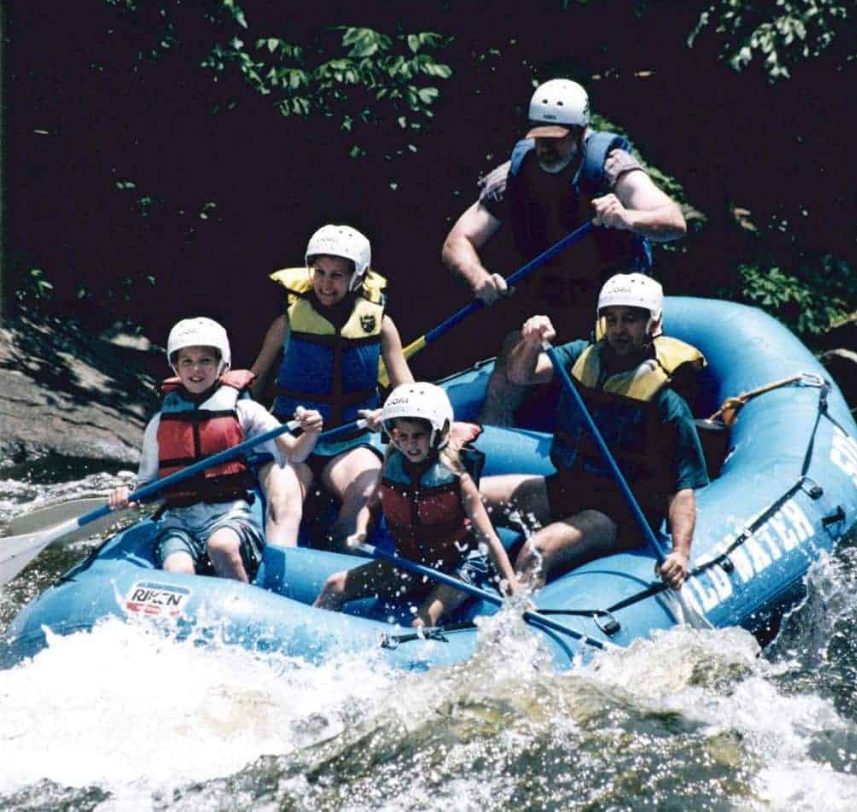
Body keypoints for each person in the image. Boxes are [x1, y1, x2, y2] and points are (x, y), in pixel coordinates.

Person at [442, 78, 689, 425]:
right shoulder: (512, 176)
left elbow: (674, 222)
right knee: (506, 374)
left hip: (614, 306)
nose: (546, 148)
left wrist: (626, 217)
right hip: (550, 302)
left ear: (581, 131)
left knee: (614, 384)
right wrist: (478, 277)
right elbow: (457, 243)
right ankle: (485, 452)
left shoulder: (611, 168)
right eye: (540, 138)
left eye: (556, 140)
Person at [480, 274, 709, 589]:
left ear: (652, 324)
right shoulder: (581, 355)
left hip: (622, 512)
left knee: (536, 550)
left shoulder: (666, 402)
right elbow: (521, 375)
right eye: (611, 319)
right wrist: (531, 343)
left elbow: (681, 489)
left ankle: (516, 630)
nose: (619, 329)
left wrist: (680, 553)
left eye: (630, 320)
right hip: (569, 487)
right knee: (470, 498)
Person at [108, 317, 323, 582]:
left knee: (221, 546)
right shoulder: (160, 423)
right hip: (180, 522)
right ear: (175, 366)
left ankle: (244, 604)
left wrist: (311, 432)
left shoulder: (244, 410)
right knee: (177, 570)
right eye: (187, 361)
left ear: (223, 365)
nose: (196, 370)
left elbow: (294, 453)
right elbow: (147, 488)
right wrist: (128, 496)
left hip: (230, 517)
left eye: (205, 361)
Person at [250, 224, 414, 548]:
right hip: (292, 439)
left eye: (337, 275)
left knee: (367, 496)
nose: (326, 283)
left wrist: (393, 414)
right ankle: (275, 585)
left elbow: (405, 389)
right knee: (284, 504)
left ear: (358, 277)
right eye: (320, 272)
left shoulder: (380, 323)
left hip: (350, 439)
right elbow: (256, 381)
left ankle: (335, 568)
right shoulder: (288, 320)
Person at [316, 382, 518, 628]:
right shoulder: (392, 462)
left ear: (437, 433)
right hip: (412, 563)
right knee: (334, 586)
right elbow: (371, 506)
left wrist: (513, 592)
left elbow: (489, 539)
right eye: (402, 436)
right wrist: (361, 530)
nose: (410, 445)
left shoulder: (458, 479)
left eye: (418, 436)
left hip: (460, 566)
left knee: (421, 622)